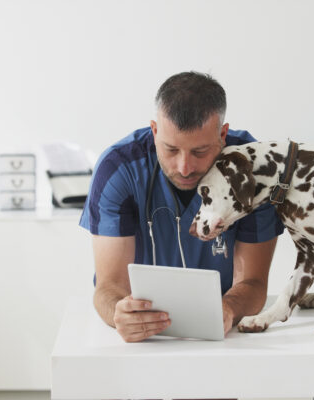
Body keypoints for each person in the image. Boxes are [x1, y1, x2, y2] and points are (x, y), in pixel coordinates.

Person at [79, 71, 284, 343]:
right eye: (171, 149)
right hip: (147, 340)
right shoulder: (118, 169)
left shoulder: (254, 172)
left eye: (200, 152)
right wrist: (119, 313)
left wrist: (228, 309)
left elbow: (253, 284)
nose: (184, 167)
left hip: (223, 335)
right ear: (154, 131)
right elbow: (108, 286)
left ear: (223, 134)